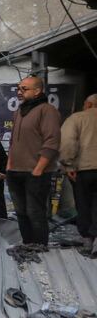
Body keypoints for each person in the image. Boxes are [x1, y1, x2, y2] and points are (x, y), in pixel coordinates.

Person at [6, 76, 61, 251]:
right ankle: (28, 243)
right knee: (21, 212)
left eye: (24, 89)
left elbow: (52, 142)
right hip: (15, 171)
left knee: (35, 211)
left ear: (37, 91)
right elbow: (13, 142)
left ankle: (40, 246)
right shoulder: (19, 111)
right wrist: (9, 165)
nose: (19, 92)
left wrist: (39, 169)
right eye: (18, 88)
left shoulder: (47, 110)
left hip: (36, 172)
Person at [59, 93, 97, 250]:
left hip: (84, 169)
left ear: (88, 105)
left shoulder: (76, 118)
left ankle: (87, 239)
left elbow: (67, 142)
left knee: (83, 203)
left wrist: (68, 165)